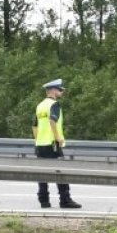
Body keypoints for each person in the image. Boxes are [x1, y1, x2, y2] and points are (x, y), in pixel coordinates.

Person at [33, 79, 81, 209]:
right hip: (53, 144)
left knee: (42, 173)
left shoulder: (40, 105)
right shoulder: (54, 105)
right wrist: (58, 137)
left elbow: (34, 126)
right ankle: (65, 200)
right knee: (61, 172)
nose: (62, 92)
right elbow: (52, 121)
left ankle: (44, 201)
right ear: (53, 90)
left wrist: (38, 140)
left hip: (40, 144)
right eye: (60, 90)